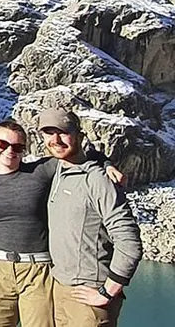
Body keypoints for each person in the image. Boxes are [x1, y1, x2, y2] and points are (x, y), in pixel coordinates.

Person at [0, 119, 121, 327]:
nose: (10, 151)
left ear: (24, 150)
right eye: (3, 144)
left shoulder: (40, 172)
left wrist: (108, 164)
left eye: (18, 147)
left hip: (38, 271)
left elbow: (81, 153)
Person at [39, 108, 143, 327]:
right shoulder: (58, 170)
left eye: (63, 132)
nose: (55, 140)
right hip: (61, 291)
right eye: (49, 133)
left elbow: (129, 242)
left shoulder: (98, 180)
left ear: (78, 135)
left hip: (90, 297)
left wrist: (107, 291)